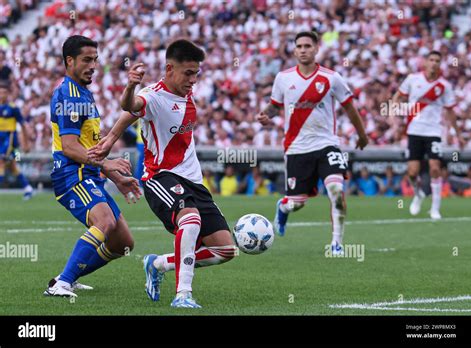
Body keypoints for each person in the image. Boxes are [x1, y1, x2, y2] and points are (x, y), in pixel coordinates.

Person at [88, 39, 238, 308]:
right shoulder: (153, 95)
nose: (193, 80)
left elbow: (130, 116)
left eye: (196, 74)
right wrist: (130, 88)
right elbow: (130, 106)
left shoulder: (186, 92)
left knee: (225, 249)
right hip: (160, 177)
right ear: (169, 69)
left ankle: (157, 263)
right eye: (188, 73)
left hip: (193, 180)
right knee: (190, 221)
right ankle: (183, 294)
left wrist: (111, 137)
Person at [44, 35, 141, 298]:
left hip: (88, 174)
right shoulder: (68, 94)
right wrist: (108, 163)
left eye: (95, 60)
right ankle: (63, 283)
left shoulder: (84, 92)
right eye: (86, 60)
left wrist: (114, 176)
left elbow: (90, 145)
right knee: (104, 221)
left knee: (123, 244)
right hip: (71, 175)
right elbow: (70, 147)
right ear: (69, 61)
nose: (93, 66)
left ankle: (67, 278)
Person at [256, 31, 368, 255]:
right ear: (295, 50)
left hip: (327, 145)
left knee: (336, 190)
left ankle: (337, 243)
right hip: (297, 148)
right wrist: (265, 114)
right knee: (297, 203)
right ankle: (283, 207)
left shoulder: (331, 77)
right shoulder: (283, 78)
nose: (304, 49)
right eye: (299, 46)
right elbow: (275, 105)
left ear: (317, 49)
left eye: (308, 45)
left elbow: (349, 107)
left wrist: (362, 134)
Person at [392, 50, 466, 220]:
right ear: (425, 62)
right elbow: (398, 96)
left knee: (434, 167)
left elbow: (450, 112)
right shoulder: (413, 79)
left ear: (440, 64)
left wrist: (458, 134)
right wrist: (395, 114)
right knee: (412, 172)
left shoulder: (444, 86)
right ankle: (418, 194)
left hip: (433, 131)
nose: (433, 63)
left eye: (437, 60)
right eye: (431, 60)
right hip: (414, 130)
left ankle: (435, 208)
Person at [0, 83, 33, 199]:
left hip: (9, 141)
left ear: (8, 94)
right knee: (13, 166)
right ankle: (28, 188)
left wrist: (26, 143)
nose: (1, 95)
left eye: (4, 92)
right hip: (2, 141)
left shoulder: (13, 108)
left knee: (2, 161)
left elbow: (23, 125)